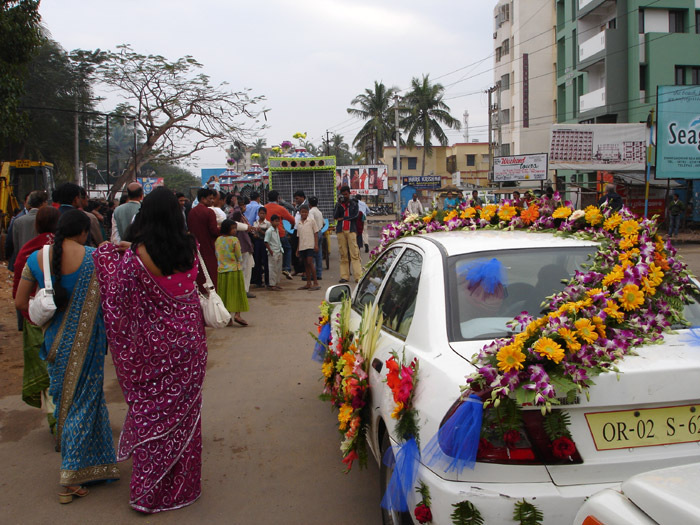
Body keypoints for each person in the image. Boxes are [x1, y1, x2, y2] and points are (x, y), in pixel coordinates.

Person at [93, 187, 206, 514]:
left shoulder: (137, 255)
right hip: (190, 344)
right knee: (187, 416)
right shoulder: (190, 246)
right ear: (177, 213)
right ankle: (184, 486)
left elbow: (119, 299)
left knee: (149, 413)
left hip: (152, 349)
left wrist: (106, 257)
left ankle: (149, 492)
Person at [15, 209, 119, 503]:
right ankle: (70, 478)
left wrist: (47, 313)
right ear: (83, 231)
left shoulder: (35, 258)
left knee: (73, 401)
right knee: (84, 404)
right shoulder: (95, 257)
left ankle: (98, 466)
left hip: (55, 344)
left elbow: (21, 301)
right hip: (90, 344)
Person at [12, 205, 60, 434]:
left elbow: (18, 295)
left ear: (36, 224)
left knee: (46, 368)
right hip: (65, 317)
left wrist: (27, 315)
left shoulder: (29, 252)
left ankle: (54, 416)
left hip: (37, 317)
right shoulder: (71, 249)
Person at [216, 219, 249, 325]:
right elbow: (239, 256)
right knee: (237, 292)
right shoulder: (234, 240)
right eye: (233, 228)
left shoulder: (218, 240)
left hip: (222, 270)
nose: (235, 230)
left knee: (224, 294)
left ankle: (228, 317)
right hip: (234, 269)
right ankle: (237, 315)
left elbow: (217, 254)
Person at [188, 188, 220, 291]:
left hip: (195, 247)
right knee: (210, 274)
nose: (212, 201)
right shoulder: (209, 212)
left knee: (199, 274)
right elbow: (214, 231)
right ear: (203, 199)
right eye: (210, 198)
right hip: (208, 248)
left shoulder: (191, 212)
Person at [333, 185, 362, 283]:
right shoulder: (339, 204)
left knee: (354, 254)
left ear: (349, 193)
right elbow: (335, 216)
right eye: (343, 194)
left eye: (346, 194)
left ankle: (358, 276)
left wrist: (344, 218)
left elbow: (355, 216)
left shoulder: (354, 203)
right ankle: (344, 276)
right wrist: (338, 204)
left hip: (351, 230)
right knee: (343, 254)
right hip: (341, 231)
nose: (344, 196)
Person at [265, 190, 295, 279]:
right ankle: (286, 268)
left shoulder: (264, 207)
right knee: (287, 249)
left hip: (266, 234)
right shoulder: (280, 208)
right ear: (278, 198)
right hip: (280, 234)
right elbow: (292, 220)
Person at [231, 209, 256, 298]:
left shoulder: (240, 220)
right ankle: (244, 290)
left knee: (246, 269)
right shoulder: (237, 218)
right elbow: (237, 213)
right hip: (242, 248)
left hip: (244, 246)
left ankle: (244, 289)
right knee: (244, 270)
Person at [296, 205, 320, 290]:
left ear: (308, 213)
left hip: (310, 245)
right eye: (302, 212)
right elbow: (299, 237)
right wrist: (298, 249)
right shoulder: (299, 223)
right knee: (305, 264)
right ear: (300, 213)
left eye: (305, 212)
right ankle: (308, 283)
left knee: (310, 263)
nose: (304, 214)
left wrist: (316, 245)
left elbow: (316, 233)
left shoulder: (311, 221)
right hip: (303, 246)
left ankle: (316, 282)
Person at [251, 207, 271, 288]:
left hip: (264, 243)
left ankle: (267, 281)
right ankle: (258, 281)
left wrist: (261, 232)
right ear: (258, 214)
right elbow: (253, 233)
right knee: (257, 261)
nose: (261, 215)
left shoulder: (267, 223)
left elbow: (269, 235)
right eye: (260, 213)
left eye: (263, 213)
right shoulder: (255, 223)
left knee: (266, 261)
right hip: (257, 242)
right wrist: (255, 235)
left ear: (265, 214)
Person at [265, 214, 284, 291]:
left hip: (279, 250)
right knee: (272, 268)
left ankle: (276, 283)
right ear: (271, 222)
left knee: (278, 268)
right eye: (276, 221)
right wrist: (270, 250)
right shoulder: (269, 231)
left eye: (278, 221)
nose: (277, 223)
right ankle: (272, 284)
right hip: (273, 252)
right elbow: (266, 242)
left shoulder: (276, 230)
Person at [308, 196, 324, 280]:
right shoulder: (319, 212)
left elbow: (311, 223)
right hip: (320, 231)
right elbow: (324, 223)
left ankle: (312, 274)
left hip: (315, 233)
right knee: (319, 254)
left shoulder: (311, 212)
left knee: (312, 254)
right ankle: (319, 273)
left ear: (309, 204)